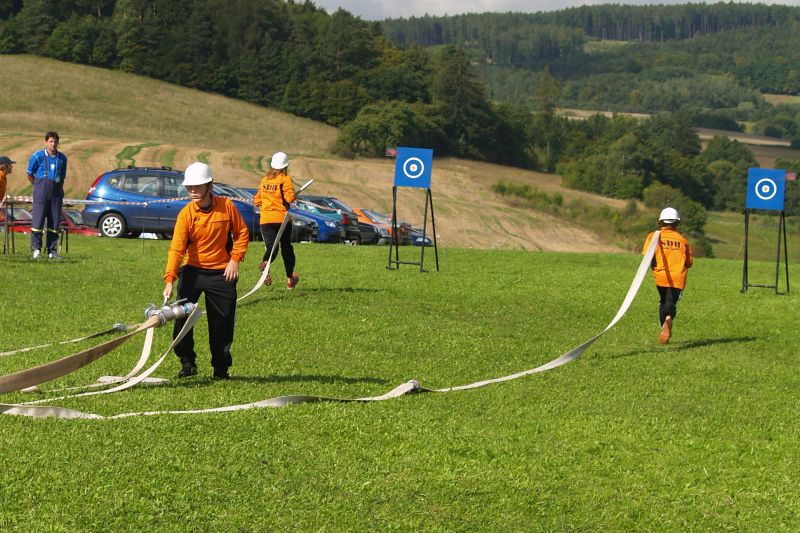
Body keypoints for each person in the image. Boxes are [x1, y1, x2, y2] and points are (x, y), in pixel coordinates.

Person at [162, 162, 250, 379]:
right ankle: (187, 363)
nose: (192, 191)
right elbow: (177, 248)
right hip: (192, 272)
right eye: (189, 187)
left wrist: (235, 260)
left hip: (222, 273)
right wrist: (170, 279)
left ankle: (220, 368)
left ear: (209, 186)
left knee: (222, 323)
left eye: (197, 186)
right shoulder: (186, 214)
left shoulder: (227, 206)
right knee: (182, 319)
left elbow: (242, 233)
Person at [642, 207, 693, 345]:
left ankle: (664, 322)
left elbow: (647, 255)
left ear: (660, 221)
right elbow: (689, 263)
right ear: (677, 223)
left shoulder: (653, 236)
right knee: (671, 302)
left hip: (660, 276)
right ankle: (669, 317)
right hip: (678, 277)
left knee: (663, 300)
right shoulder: (683, 240)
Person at [253, 151, 300, 289]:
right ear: (286, 166)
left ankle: (265, 263)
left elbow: (257, 200)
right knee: (286, 247)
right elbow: (290, 198)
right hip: (282, 219)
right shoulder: (285, 178)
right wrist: (293, 196)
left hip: (266, 220)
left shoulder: (265, 180)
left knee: (272, 248)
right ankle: (290, 279)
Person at [27, 131, 67, 260]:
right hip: (41, 193)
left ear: (58, 142)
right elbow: (29, 174)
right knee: (38, 221)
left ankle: (52, 251)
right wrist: (38, 186)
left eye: (55, 141)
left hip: (56, 194)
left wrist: (59, 191)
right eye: (51, 141)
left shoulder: (62, 158)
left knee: (54, 222)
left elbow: (62, 177)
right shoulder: (37, 156)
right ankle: (36, 249)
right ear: (46, 142)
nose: (53, 144)